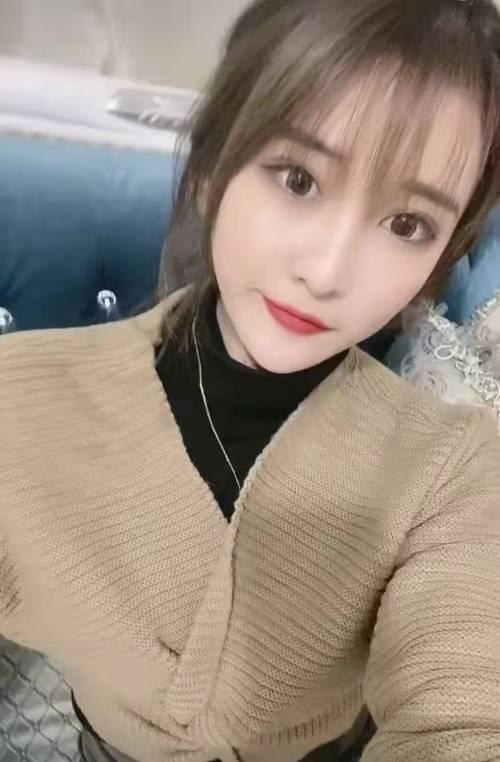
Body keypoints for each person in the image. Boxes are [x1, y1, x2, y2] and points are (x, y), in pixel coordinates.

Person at [1, 1, 500, 761]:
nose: (326, 272)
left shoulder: (454, 467)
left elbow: (462, 714)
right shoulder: (21, 400)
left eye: (408, 225)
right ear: (212, 169)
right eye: (299, 179)